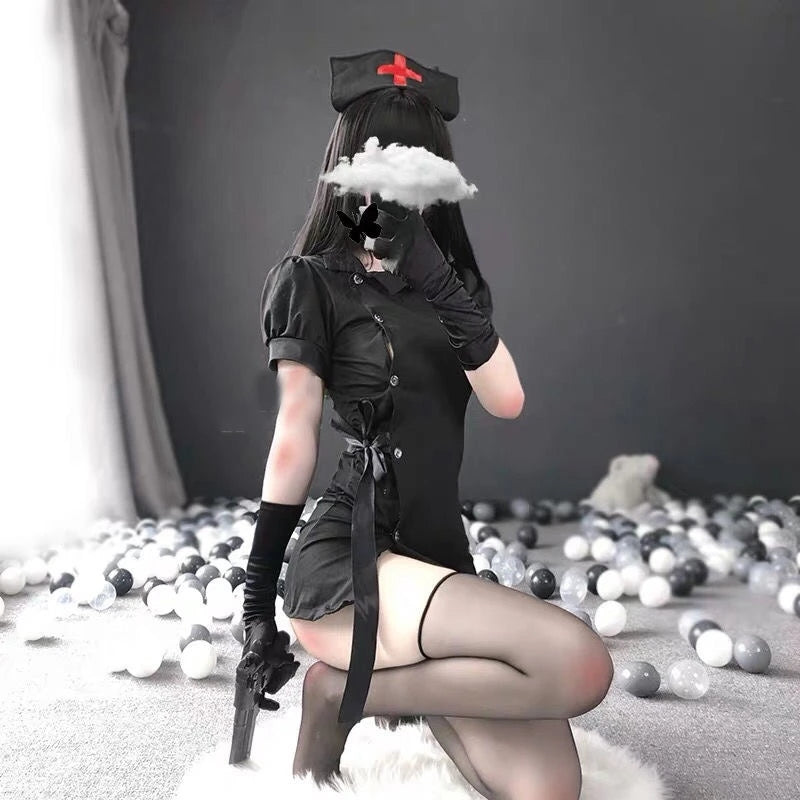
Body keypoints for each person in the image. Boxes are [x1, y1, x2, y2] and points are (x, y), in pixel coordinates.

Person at [241, 49, 614, 800]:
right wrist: (255, 604)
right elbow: (293, 439)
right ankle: (344, 690)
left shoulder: (451, 284)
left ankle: (351, 688)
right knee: (579, 664)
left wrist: (435, 276)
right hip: (354, 565)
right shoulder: (309, 281)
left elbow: (507, 399)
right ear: (349, 168)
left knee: (548, 789)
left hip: (438, 560)